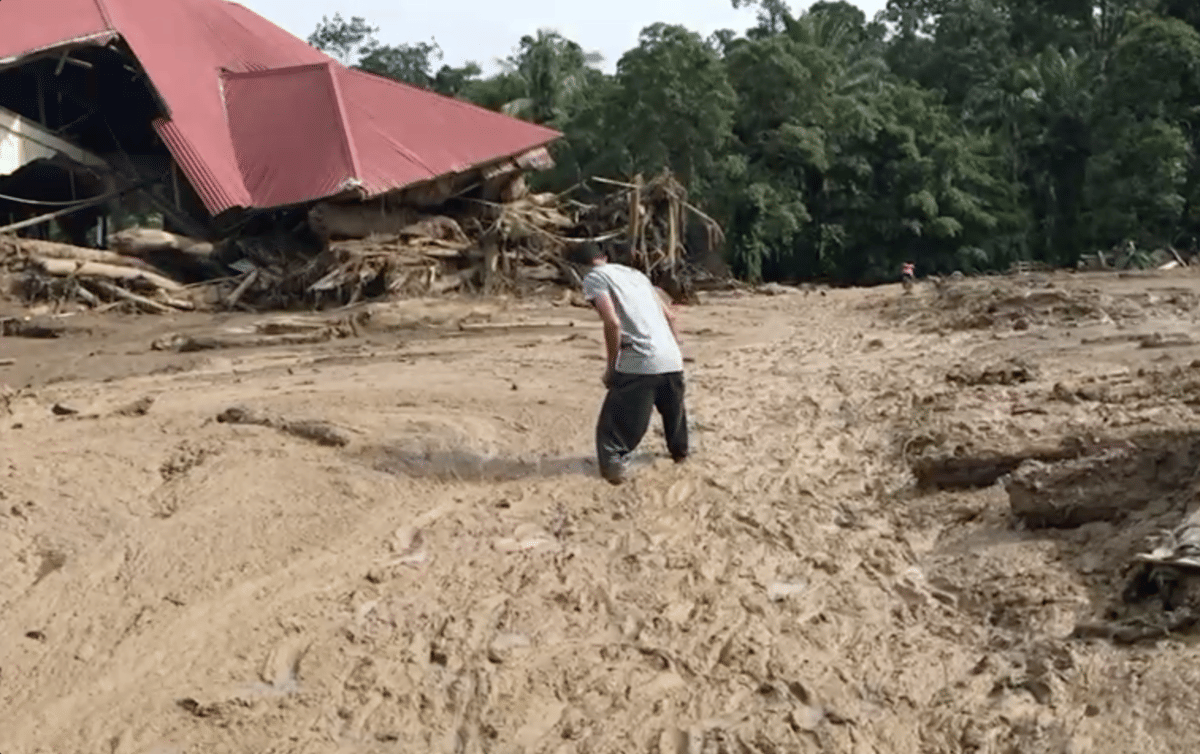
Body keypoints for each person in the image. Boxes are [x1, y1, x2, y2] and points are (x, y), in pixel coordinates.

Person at [569, 243, 688, 484]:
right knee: (674, 414)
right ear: (603, 256)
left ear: (576, 267)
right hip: (672, 358)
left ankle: (613, 468)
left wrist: (613, 366)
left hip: (641, 360)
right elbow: (671, 316)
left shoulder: (594, 278)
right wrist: (674, 350)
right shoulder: (637, 275)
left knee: (614, 427)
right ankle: (680, 454)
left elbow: (612, 323)